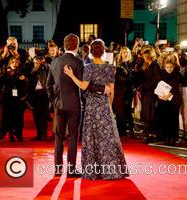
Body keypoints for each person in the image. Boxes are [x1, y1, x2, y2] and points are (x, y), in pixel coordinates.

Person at [63, 39, 128, 180]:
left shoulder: (89, 68)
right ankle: (111, 170)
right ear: (104, 51)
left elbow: (83, 86)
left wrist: (71, 75)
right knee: (108, 138)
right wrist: (109, 106)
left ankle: (94, 171)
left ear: (91, 52)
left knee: (92, 137)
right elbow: (111, 91)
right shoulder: (110, 68)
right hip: (104, 106)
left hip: (92, 106)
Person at [46, 34, 109, 177]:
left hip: (59, 105)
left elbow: (48, 85)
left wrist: (54, 100)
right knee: (73, 137)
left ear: (64, 44)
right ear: (77, 45)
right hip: (74, 105)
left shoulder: (54, 62)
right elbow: (85, 85)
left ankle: (57, 169)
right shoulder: (79, 63)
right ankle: (71, 170)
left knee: (58, 137)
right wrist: (102, 89)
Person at [156, 53, 182, 146]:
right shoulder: (162, 74)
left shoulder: (177, 74)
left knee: (173, 120)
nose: (169, 69)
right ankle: (165, 137)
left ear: (174, 66)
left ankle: (173, 138)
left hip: (174, 100)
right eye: (167, 67)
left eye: (171, 67)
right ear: (165, 67)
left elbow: (175, 86)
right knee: (164, 119)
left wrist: (170, 94)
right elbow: (160, 85)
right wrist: (160, 95)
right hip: (163, 100)